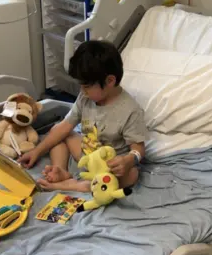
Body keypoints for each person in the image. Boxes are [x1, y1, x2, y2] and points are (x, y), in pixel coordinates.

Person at [18, 40, 147, 192]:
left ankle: (68, 185)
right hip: (85, 154)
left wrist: (128, 160)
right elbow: (65, 127)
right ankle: (60, 171)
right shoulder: (85, 97)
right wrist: (36, 151)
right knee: (57, 131)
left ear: (110, 81)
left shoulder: (130, 111)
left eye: (86, 86)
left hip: (107, 166)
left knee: (131, 175)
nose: (82, 91)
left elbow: (138, 148)